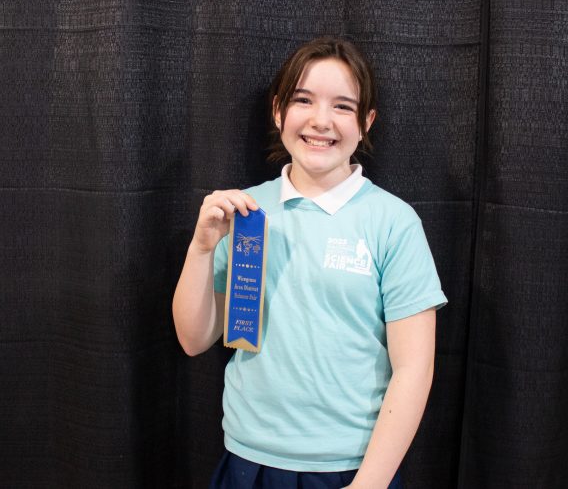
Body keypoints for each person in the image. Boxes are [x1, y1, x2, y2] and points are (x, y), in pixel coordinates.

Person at [173, 36, 447, 489]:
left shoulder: (393, 222)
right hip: (248, 460)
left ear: (366, 122)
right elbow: (194, 338)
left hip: (352, 469)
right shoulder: (243, 212)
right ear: (278, 111)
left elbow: (414, 368)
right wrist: (201, 249)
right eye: (303, 100)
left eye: (343, 106)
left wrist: (368, 484)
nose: (321, 120)